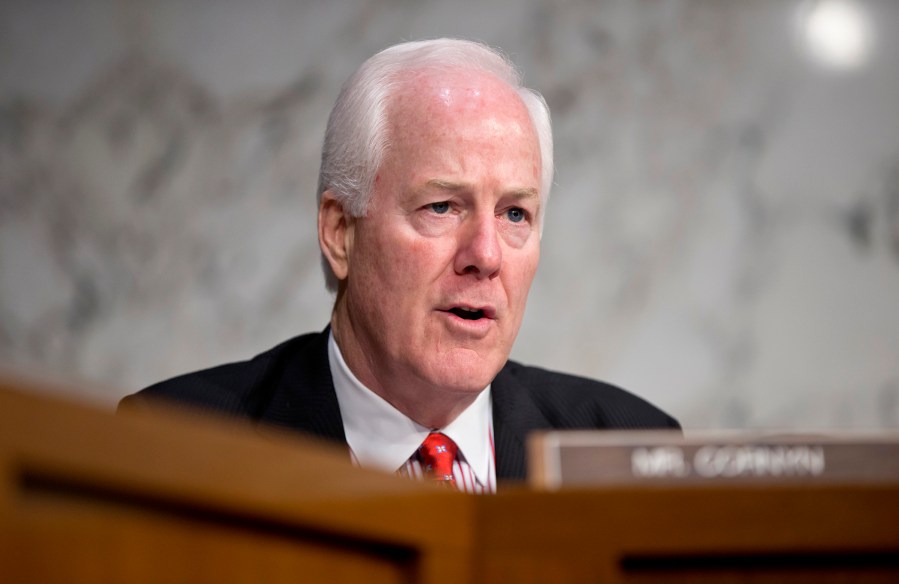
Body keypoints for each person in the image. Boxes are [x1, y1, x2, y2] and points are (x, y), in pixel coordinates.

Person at [120, 38, 679, 492]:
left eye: (515, 213)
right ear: (340, 232)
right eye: (442, 206)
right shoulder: (177, 445)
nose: (486, 256)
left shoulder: (631, 449)